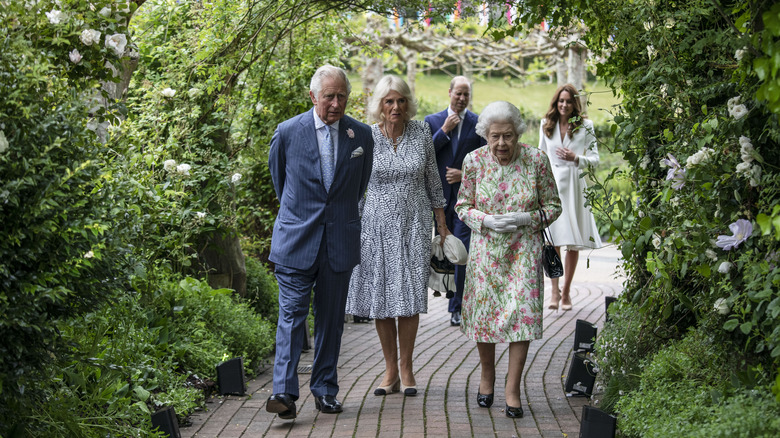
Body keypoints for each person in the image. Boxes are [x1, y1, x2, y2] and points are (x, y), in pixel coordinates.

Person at [265, 65, 374, 420]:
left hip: (338, 241)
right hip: (297, 241)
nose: (336, 103)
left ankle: (325, 390)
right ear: (313, 96)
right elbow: (281, 184)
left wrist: (338, 219)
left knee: (331, 321)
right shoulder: (287, 132)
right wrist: (302, 217)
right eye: (329, 96)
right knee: (292, 315)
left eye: (342, 96)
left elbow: (359, 188)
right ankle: (283, 390)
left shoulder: (361, 136)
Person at [346, 75, 451, 397]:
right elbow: (355, 184)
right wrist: (351, 224)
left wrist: (442, 223)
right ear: (380, 104)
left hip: (414, 225)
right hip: (374, 226)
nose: (395, 107)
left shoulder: (421, 131)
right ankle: (390, 368)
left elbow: (433, 178)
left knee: (407, 297)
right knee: (381, 297)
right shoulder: (365, 135)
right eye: (389, 101)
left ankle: (407, 367)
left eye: (401, 101)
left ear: (409, 104)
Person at [455, 101, 561, 418]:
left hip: (524, 253)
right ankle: (487, 377)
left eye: (508, 136)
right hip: (486, 253)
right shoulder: (473, 162)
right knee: (486, 317)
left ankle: (512, 389)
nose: (502, 144)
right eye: (495, 136)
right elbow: (462, 206)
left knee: (522, 318)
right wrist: (485, 220)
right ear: (485, 135)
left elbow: (554, 206)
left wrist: (526, 218)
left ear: (518, 134)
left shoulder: (536, 161)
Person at [424, 76, 486, 327]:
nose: (461, 98)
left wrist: (464, 174)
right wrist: (445, 131)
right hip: (438, 200)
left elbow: (485, 160)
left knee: (461, 253)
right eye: (458, 93)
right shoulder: (433, 121)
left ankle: (457, 307)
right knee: (443, 252)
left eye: (466, 95)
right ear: (449, 92)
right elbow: (425, 155)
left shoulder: (478, 122)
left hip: (465, 200)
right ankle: (444, 296)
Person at [538, 84, 603, 311]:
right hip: (553, 187)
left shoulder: (586, 126)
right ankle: (554, 292)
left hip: (575, 187)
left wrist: (577, 158)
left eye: (568, 101)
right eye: (560, 101)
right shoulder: (546, 125)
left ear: (575, 104)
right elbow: (540, 156)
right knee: (553, 240)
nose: (564, 105)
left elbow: (595, 159)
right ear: (556, 102)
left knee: (572, 243)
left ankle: (566, 292)